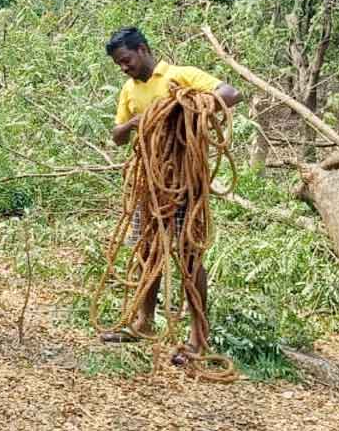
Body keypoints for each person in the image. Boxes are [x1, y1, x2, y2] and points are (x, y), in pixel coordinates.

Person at [102, 26, 242, 361]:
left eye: (126, 60)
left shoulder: (182, 76)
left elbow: (231, 93)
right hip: (148, 183)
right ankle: (144, 322)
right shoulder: (129, 90)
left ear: (143, 49)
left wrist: (183, 107)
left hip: (184, 183)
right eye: (119, 64)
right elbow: (117, 136)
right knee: (147, 252)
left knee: (190, 257)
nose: (124, 67)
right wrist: (133, 124)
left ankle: (198, 338)